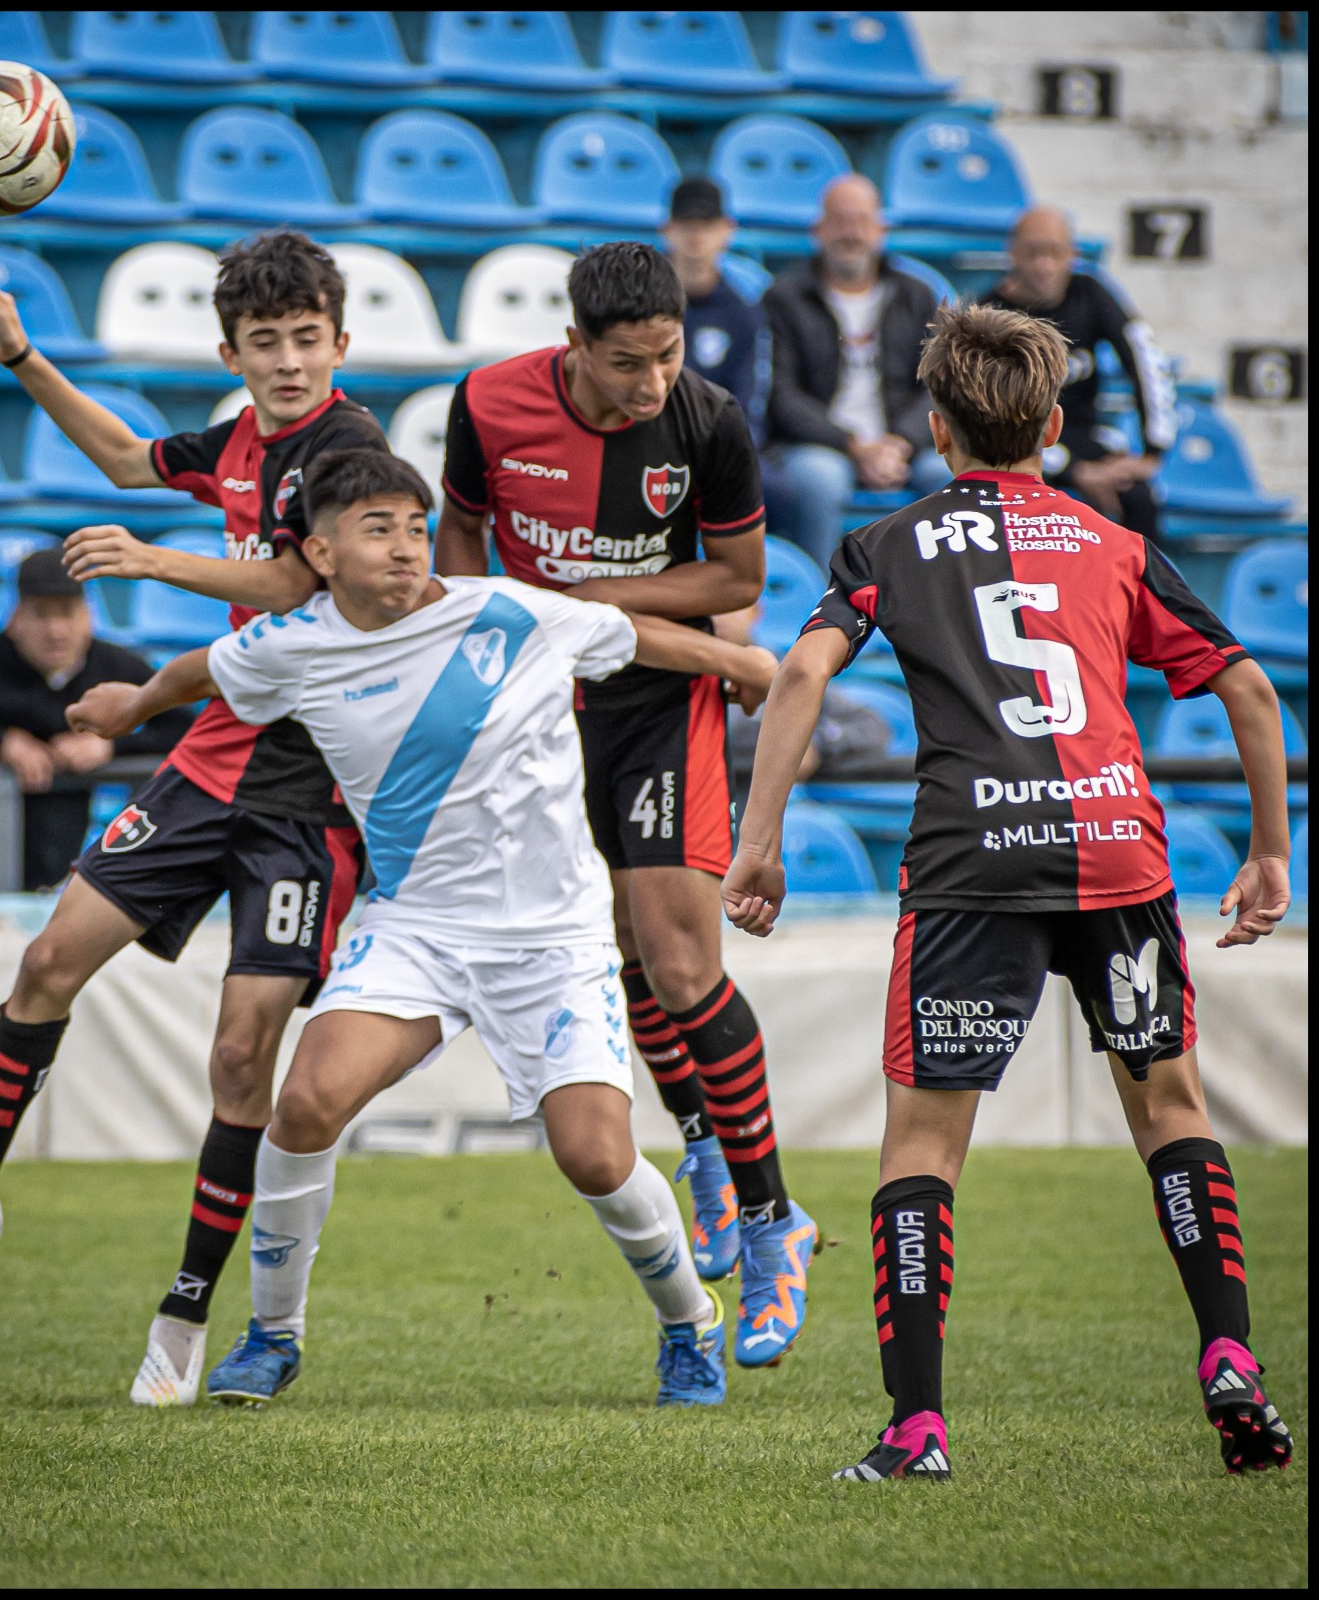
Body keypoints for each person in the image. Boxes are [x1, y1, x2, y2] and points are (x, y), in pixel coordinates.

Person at [68, 448, 786, 1407]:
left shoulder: (506, 608)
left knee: (597, 1158)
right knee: (307, 1101)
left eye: (413, 525)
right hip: (415, 929)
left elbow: (632, 635)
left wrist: (741, 659)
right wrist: (132, 703)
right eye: (378, 530)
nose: (408, 546)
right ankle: (273, 1334)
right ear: (318, 554)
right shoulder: (293, 644)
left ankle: (686, 1320)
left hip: (552, 942)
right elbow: (205, 668)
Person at [723, 303, 1295, 1482]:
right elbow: (1246, 692)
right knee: (1172, 1113)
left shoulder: (886, 544)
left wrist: (758, 841)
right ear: (1046, 422)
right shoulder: (1109, 541)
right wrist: (1268, 852)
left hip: (969, 866)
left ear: (934, 429)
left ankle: (916, 1427)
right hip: (1114, 854)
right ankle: (1228, 1357)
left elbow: (796, 674)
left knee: (923, 1145)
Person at [0, 229, 391, 1412]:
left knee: (241, 1050)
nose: (290, 361)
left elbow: (307, 585)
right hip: (211, 762)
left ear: (339, 343)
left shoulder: (349, 447)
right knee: (48, 959)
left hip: (308, 795)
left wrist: (152, 562)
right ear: (233, 352)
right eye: (267, 343)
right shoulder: (242, 441)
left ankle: (185, 1312)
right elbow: (120, 455)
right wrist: (19, 356)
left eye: (308, 340)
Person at [436, 241, 822, 1371]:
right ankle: (701, 1141)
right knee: (617, 955)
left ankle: (770, 1220)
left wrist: (596, 597)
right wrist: (490, 619)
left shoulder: (704, 420)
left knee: (680, 962)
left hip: (657, 697)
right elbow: (461, 530)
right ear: (571, 346)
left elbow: (738, 581)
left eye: (663, 357)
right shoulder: (486, 401)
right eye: (624, 364)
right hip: (539, 708)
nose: (649, 383)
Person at [0, 548, 189, 890]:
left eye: (67, 613)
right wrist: (0, 742)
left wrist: (110, 747)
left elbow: (185, 727)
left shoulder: (115, 666)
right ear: (15, 620)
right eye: (41, 614)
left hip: (60, 871)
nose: (56, 630)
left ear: (88, 618)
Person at [759, 174, 951, 570]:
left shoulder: (915, 296)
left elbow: (937, 387)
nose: (851, 232)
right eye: (840, 221)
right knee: (819, 480)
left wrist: (900, 442)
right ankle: (820, 606)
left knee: (949, 473)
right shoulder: (784, 297)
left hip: (902, 444)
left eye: (861, 221)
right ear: (818, 229)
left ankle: (939, 606)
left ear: (881, 229)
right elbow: (783, 396)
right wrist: (853, 445)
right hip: (820, 446)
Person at [980, 205, 1177, 543]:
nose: (1045, 265)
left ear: (1072, 253)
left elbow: (1143, 357)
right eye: (1033, 253)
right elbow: (990, 419)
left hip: (1084, 435)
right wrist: (1075, 472)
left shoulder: (1089, 292)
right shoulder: (989, 314)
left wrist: (1152, 451)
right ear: (1012, 253)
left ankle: (1143, 595)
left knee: (1138, 497)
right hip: (1019, 449)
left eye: (1055, 252)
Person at [662, 176, 770, 441]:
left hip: (718, 443)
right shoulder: (640, 304)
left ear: (727, 230)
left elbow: (747, 398)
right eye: (687, 224)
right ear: (668, 230)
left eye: (707, 225)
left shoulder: (743, 313)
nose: (697, 235)